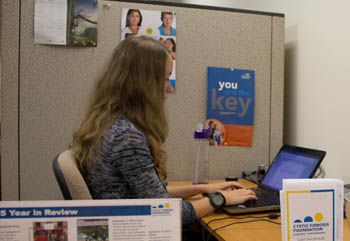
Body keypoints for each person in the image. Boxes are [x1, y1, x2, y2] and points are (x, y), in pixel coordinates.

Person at [70, 36, 256, 237]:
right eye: (166, 78)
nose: (170, 87)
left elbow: (152, 192)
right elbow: (169, 213)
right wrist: (221, 199)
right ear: (143, 83)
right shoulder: (126, 137)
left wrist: (205, 188)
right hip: (135, 231)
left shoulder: (109, 122)